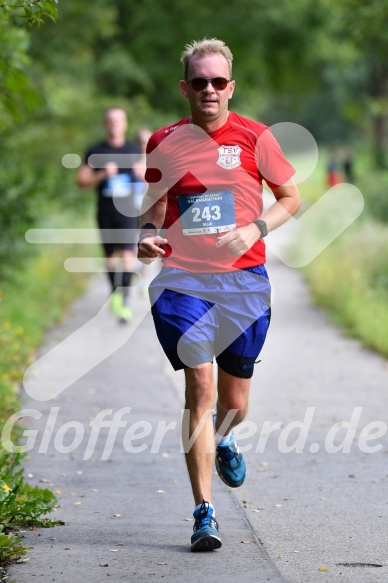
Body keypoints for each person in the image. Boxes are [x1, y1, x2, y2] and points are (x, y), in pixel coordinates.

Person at [137, 38, 301, 552]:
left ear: (231, 86)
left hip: (244, 284)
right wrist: (144, 234)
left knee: (232, 402)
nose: (209, 90)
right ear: (185, 87)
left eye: (218, 82)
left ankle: (225, 436)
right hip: (183, 280)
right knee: (201, 386)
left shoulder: (256, 137)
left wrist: (254, 229)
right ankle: (203, 511)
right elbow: (154, 205)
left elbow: (290, 198)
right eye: (200, 82)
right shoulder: (164, 140)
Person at [77, 107, 141, 323]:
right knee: (110, 257)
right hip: (105, 211)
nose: (114, 124)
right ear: (105, 125)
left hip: (128, 211)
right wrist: (103, 174)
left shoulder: (134, 150)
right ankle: (115, 291)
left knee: (127, 255)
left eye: (118, 121)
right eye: (110, 121)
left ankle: (124, 300)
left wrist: (142, 174)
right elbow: (82, 182)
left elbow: (151, 178)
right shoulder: (95, 151)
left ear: (125, 124)